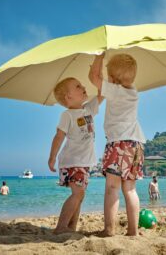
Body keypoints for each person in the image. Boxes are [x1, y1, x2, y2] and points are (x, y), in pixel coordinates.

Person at [89, 53, 145, 236]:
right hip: (136, 144)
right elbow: (101, 82)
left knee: (112, 187)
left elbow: (93, 77)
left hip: (118, 143)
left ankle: (109, 229)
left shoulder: (114, 90)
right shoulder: (133, 92)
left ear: (112, 79)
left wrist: (99, 56)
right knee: (130, 189)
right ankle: (133, 231)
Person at [48, 77, 103, 234]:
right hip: (72, 161)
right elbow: (59, 136)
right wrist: (52, 157)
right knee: (78, 193)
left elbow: (102, 95)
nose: (83, 87)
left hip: (84, 162)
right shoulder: (67, 115)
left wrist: (101, 79)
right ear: (68, 97)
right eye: (78, 86)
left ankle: (71, 228)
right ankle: (61, 227)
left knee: (80, 195)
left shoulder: (88, 109)